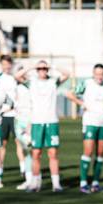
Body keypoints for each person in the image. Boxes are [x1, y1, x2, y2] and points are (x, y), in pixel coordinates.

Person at [15, 60, 70, 192]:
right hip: (37, 122)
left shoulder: (53, 82)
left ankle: (56, 184)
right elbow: (17, 76)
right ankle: (35, 183)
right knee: (36, 153)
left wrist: (52, 66)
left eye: (44, 68)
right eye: (40, 69)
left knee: (53, 153)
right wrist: (32, 66)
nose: (42, 70)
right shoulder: (32, 82)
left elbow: (67, 74)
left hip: (51, 122)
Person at [66, 64, 103, 194]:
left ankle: (95, 183)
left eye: (101, 74)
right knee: (88, 151)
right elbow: (69, 94)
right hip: (90, 122)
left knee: (100, 153)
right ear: (93, 74)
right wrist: (82, 104)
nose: (99, 77)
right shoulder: (87, 83)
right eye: (97, 74)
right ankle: (83, 183)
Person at [0, 55, 22, 175]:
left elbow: (19, 94)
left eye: (8, 64)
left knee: (19, 142)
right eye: (4, 64)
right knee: (3, 143)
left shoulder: (14, 78)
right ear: (1, 65)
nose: (6, 66)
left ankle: (23, 168)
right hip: (2, 116)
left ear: (11, 65)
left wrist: (16, 105)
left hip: (15, 115)